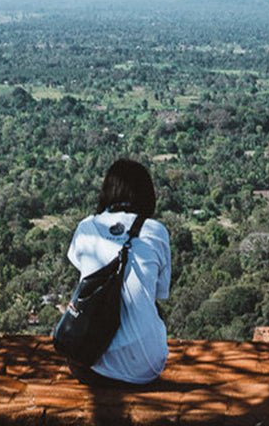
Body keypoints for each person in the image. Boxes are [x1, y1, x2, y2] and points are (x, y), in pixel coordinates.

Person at [65, 158, 171, 386]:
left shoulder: (86, 228)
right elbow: (159, 294)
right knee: (150, 303)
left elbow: (84, 276)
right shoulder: (156, 232)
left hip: (90, 365)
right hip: (147, 369)